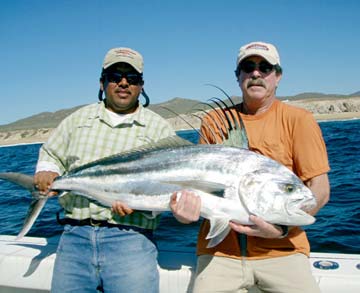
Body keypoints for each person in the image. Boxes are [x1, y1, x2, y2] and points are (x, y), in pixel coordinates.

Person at [171, 41, 330, 292]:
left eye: (265, 67)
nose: (256, 73)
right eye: (248, 67)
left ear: (277, 76)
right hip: (220, 253)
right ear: (238, 77)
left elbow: (319, 188)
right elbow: (199, 189)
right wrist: (183, 213)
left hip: (283, 251)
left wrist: (281, 229)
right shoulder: (216, 121)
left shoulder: (299, 120)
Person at [34, 47, 175, 292]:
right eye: (114, 77)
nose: (123, 83)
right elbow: (51, 154)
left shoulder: (160, 130)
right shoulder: (78, 120)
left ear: (141, 85)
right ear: (102, 82)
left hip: (131, 239)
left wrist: (143, 205)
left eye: (132, 79)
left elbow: (171, 186)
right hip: (73, 238)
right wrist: (47, 171)